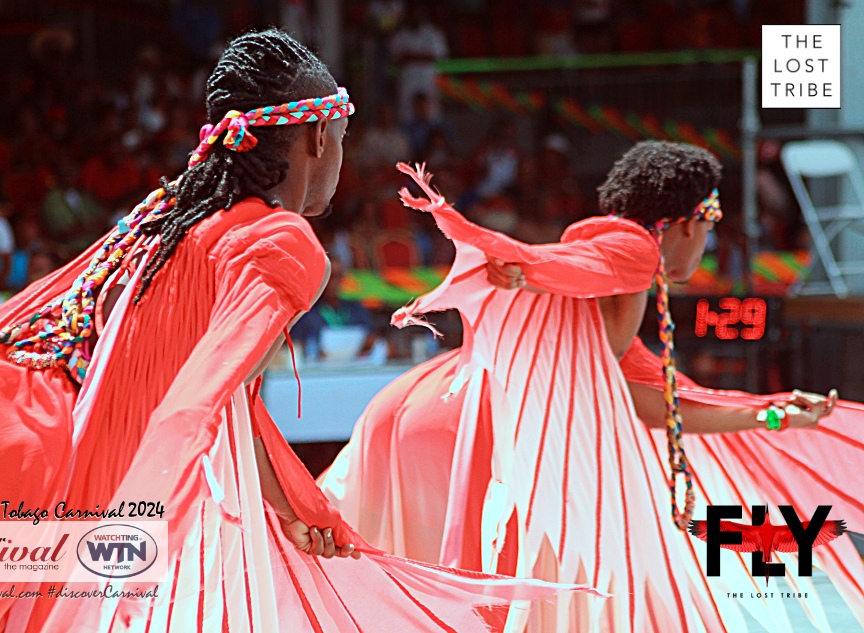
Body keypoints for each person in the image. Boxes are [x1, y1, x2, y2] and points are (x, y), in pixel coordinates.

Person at [0, 30, 596, 633]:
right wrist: (286, 504)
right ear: (319, 136)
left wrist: (296, 497)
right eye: (343, 142)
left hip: (91, 468)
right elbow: (206, 396)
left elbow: (227, 397)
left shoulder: (170, 222)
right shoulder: (281, 241)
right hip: (153, 495)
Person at [321, 144, 864, 632]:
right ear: (682, 223)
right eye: (710, 223)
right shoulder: (634, 249)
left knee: (462, 585)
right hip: (477, 420)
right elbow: (581, 266)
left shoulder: (617, 285)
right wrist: (528, 266)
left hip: (439, 407)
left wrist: (775, 414)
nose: (708, 241)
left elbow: (660, 406)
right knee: (506, 591)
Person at [291, 256, 375, 360]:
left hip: (355, 368)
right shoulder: (305, 313)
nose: (332, 282)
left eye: (336, 276)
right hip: (317, 371)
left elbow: (371, 338)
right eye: (327, 276)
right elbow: (296, 344)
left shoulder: (356, 308)